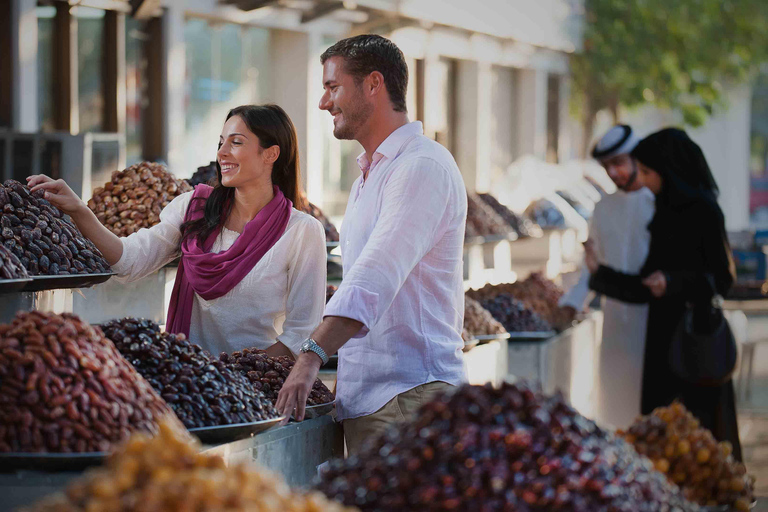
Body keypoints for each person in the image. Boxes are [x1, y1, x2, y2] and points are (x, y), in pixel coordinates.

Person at [275, 34, 468, 453]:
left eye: (332, 87)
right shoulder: (373, 171)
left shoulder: (421, 166)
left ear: (373, 84)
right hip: (377, 401)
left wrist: (310, 355)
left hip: (409, 400)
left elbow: (373, 275)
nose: (324, 103)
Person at [27, 104, 327, 359]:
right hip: (189, 382)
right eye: (220, 142)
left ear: (270, 154)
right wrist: (79, 210)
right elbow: (130, 261)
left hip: (252, 388)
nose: (222, 153)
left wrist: (235, 374)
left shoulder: (302, 231)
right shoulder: (194, 208)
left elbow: (300, 334)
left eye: (236, 142)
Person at [586, 127, 742, 460]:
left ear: (668, 170)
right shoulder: (661, 212)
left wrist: (674, 282)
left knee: (702, 445)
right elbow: (645, 285)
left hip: (695, 341)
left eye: (647, 171)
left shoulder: (705, 211)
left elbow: (722, 279)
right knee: (663, 445)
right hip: (661, 343)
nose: (641, 179)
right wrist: (599, 274)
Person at [559, 125, 655, 428]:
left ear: (636, 158)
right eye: (607, 166)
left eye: (619, 163)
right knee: (615, 413)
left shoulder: (659, 204)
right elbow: (593, 267)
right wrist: (572, 302)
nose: (613, 172)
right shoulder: (602, 208)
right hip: (615, 328)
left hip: (654, 324)